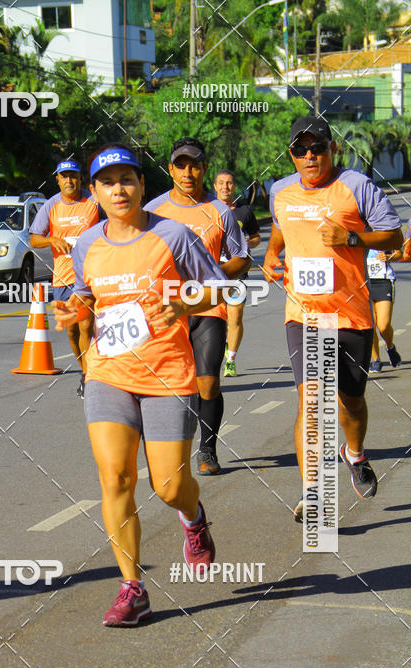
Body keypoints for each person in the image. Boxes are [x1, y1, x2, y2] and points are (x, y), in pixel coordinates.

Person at [52, 143, 227, 626]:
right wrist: (73, 310)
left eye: (127, 179)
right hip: (108, 374)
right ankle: (133, 588)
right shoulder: (87, 243)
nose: (119, 189)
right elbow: (86, 299)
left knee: (169, 485)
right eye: (108, 183)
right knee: (116, 479)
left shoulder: (173, 235)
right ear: (95, 192)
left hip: (167, 373)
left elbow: (218, 287)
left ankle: (193, 519)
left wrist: (186, 304)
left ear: (141, 185)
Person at [262, 116, 403, 518]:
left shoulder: (356, 187)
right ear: (291, 155)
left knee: (351, 404)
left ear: (332, 149)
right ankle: (313, 493)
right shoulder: (279, 192)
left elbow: (394, 236)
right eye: (301, 150)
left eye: (317, 148)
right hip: (303, 314)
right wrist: (272, 255)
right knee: (312, 402)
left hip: (352, 316)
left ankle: (354, 453)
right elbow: (280, 230)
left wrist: (352, 237)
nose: (310, 156)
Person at [144, 139, 250, 475]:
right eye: (181, 165)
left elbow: (242, 258)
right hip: (165, 311)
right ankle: (170, 451)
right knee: (170, 387)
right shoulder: (153, 211)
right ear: (170, 168)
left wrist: (214, 278)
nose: (188, 172)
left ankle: (207, 449)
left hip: (206, 309)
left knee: (208, 383)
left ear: (204, 168)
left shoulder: (219, 210)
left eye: (195, 165)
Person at [30, 160, 99, 397]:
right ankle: (85, 371)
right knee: (72, 332)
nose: (69, 181)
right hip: (62, 277)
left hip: (90, 276)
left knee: (86, 326)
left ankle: (90, 379)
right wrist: (52, 240)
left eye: (73, 176)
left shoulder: (93, 203)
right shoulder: (50, 206)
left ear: (80, 178)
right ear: (57, 179)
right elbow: (34, 239)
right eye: (64, 177)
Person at [214, 168, 261, 377]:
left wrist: (251, 242)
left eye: (230, 183)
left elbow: (257, 237)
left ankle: (230, 359)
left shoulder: (244, 212)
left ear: (234, 186)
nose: (225, 187)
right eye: (221, 183)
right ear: (215, 186)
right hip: (210, 273)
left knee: (235, 317)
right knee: (214, 319)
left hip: (237, 273)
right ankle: (218, 348)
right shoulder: (207, 210)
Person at [365, 248, 402, 373]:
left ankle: (390, 346)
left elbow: (399, 253)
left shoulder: (384, 231)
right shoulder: (358, 233)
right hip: (364, 283)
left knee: (383, 326)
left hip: (384, 281)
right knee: (370, 325)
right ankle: (376, 360)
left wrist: (389, 257)